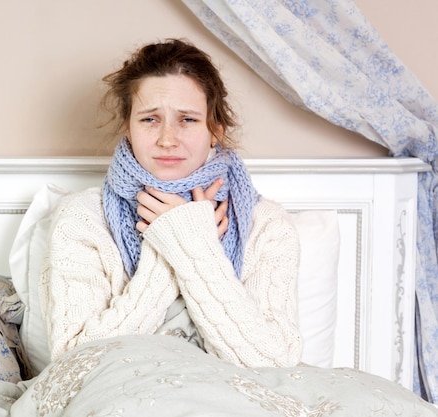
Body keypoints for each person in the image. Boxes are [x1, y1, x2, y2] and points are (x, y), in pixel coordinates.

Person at [39, 38, 302, 368]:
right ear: (128, 128)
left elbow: (272, 363)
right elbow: (74, 364)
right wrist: (179, 239)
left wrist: (195, 246)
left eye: (188, 119)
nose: (167, 138)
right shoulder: (83, 219)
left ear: (215, 129)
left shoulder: (267, 225)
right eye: (150, 119)